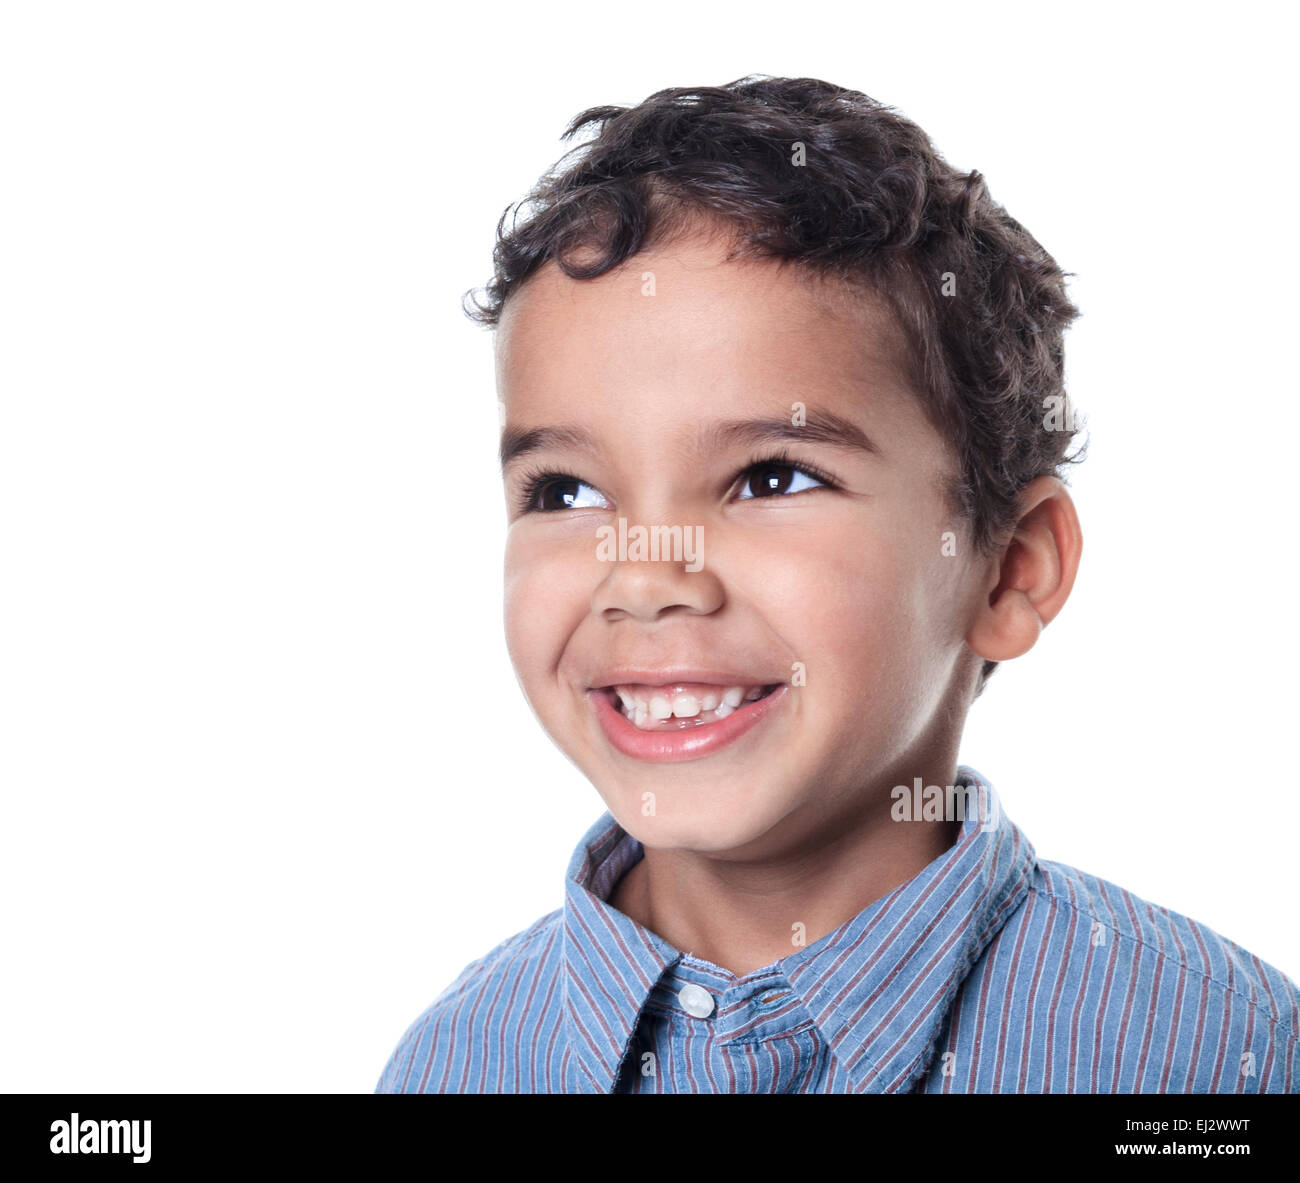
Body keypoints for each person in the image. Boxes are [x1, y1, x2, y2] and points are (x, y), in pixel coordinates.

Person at [375, 75, 1299, 1093]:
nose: (643, 579)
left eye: (772, 477)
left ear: (1009, 569)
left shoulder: (1220, 1057)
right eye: (566, 489)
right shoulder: (453, 1064)